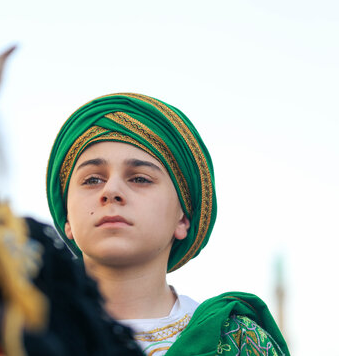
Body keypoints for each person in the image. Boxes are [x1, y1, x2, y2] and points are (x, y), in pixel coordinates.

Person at [46, 92, 290, 355]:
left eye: (140, 178)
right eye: (93, 179)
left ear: (183, 219)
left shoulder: (237, 340)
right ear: (67, 218)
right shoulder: (17, 329)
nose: (111, 190)